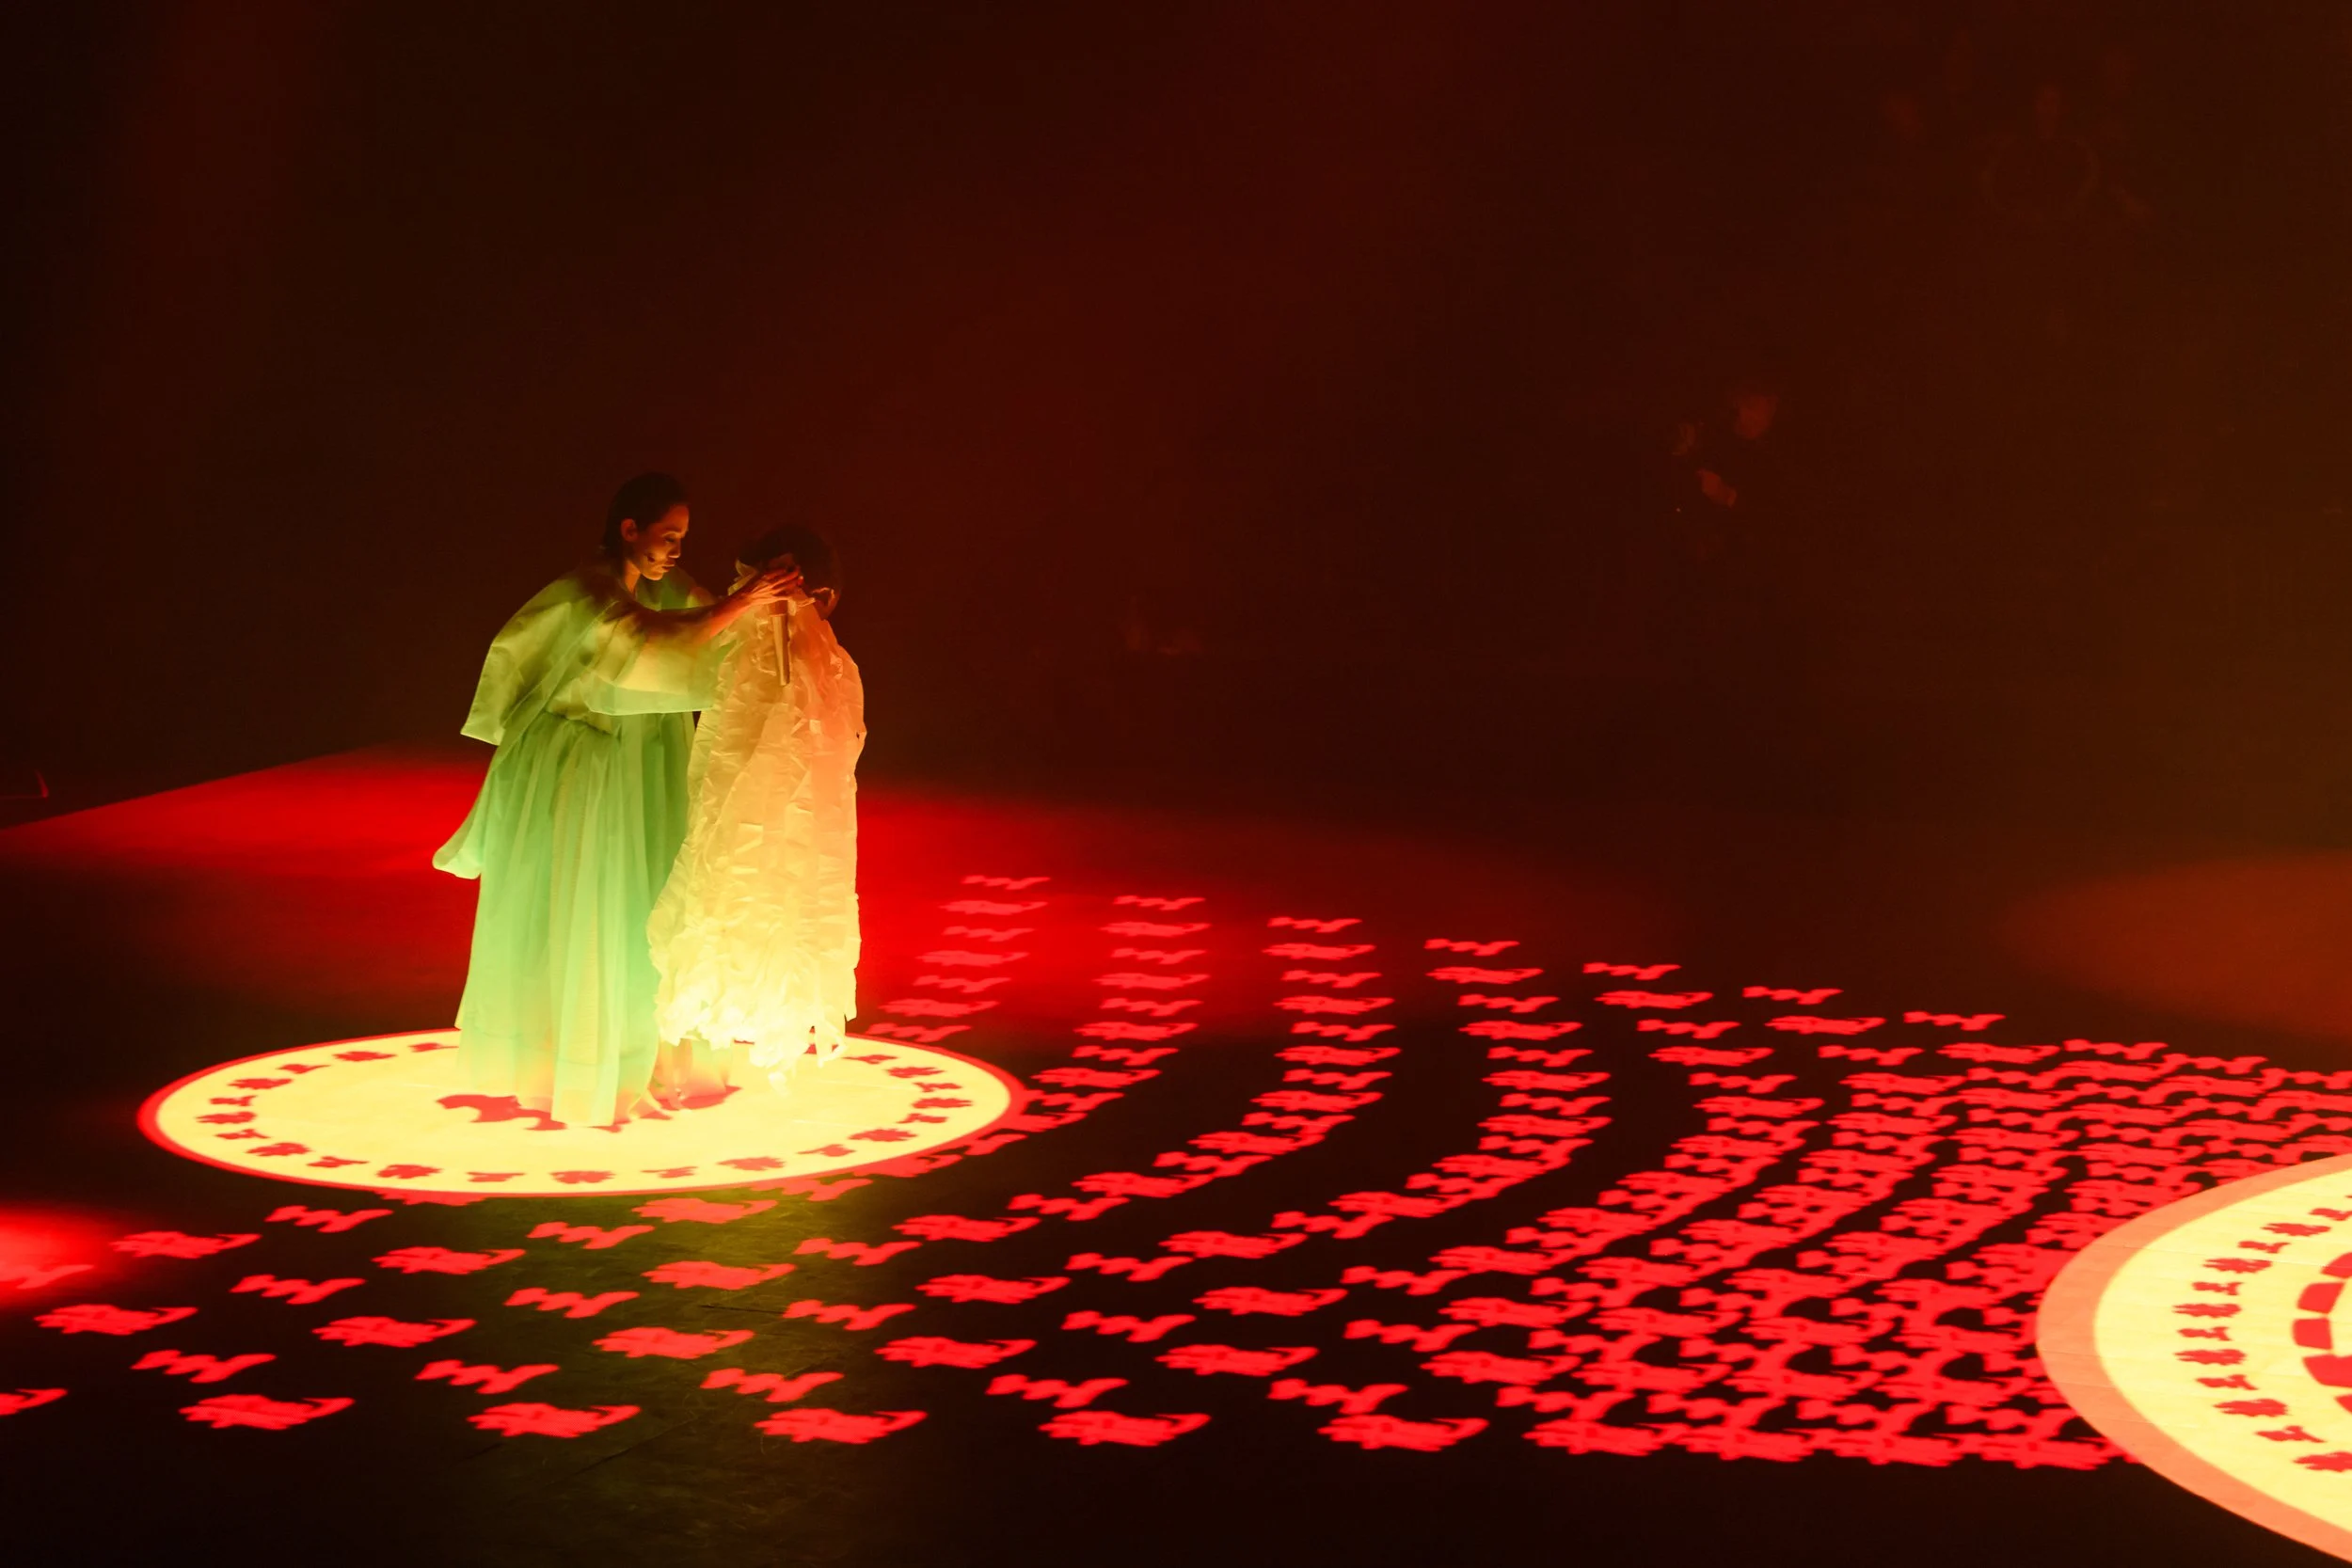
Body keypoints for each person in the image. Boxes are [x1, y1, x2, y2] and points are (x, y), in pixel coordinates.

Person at [434, 473, 801, 1127]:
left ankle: (644, 1052)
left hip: (638, 757)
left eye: (682, 540)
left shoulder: (663, 587)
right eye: (666, 537)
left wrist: (769, 603)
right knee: (592, 902)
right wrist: (741, 605)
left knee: (645, 898)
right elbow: (644, 642)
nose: (674, 551)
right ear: (629, 529)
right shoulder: (588, 593)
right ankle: (576, 1060)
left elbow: (707, 618)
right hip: (585, 764)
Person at [648, 523, 865, 1101]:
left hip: (774, 800)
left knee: (748, 880)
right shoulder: (792, 652)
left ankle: (723, 1022)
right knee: (742, 878)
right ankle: (721, 1022)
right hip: (756, 796)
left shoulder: (809, 655)